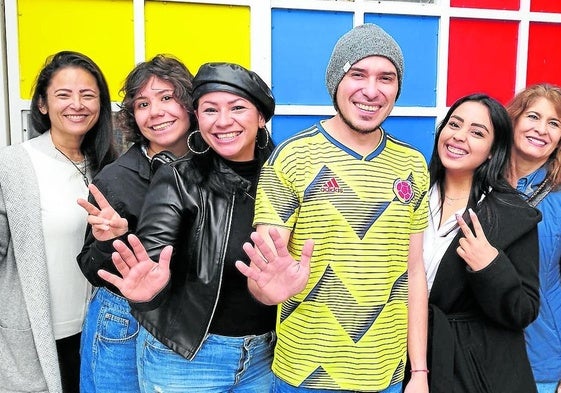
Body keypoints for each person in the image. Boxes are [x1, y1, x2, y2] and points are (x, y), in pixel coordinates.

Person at [235, 23, 429, 393]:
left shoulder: (412, 165)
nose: (371, 91)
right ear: (335, 83)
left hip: (385, 375)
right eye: (358, 74)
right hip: (304, 373)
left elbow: (414, 272)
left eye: (386, 78)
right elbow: (265, 276)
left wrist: (418, 371)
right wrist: (268, 291)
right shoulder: (292, 158)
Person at [95, 62, 278, 392]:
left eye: (237, 107)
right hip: (189, 359)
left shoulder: (285, 175)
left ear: (261, 116)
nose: (223, 121)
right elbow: (152, 261)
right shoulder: (178, 177)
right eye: (210, 110)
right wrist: (149, 290)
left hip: (265, 356)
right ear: (199, 117)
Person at [76, 54, 195, 393]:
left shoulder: (213, 168)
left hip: (184, 318)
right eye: (143, 103)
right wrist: (110, 240)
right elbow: (89, 267)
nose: (155, 112)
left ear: (189, 104)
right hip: (123, 321)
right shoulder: (115, 178)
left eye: (167, 98)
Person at [0, 50, 116, 392]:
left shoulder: (109, 165)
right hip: (31, 341)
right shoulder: (12, 165)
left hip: (98, 335)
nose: (76, 104)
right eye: (63, 95)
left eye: (88, 95)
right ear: (42, 104)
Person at [422, 93, 541, 392]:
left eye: (477, 132)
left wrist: (491, 267)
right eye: (454, 124)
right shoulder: (411, 196)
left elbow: (523, 311)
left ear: (492, 151)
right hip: (409, 360)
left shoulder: (512, 214)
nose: (459, 137)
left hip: (476, 371)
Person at [505, 83, 561, 393]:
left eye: (554, 123)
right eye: (534, 117)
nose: (541, 129)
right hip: (481, 351)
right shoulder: (479, 180)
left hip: (542, 358)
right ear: (514, 119)